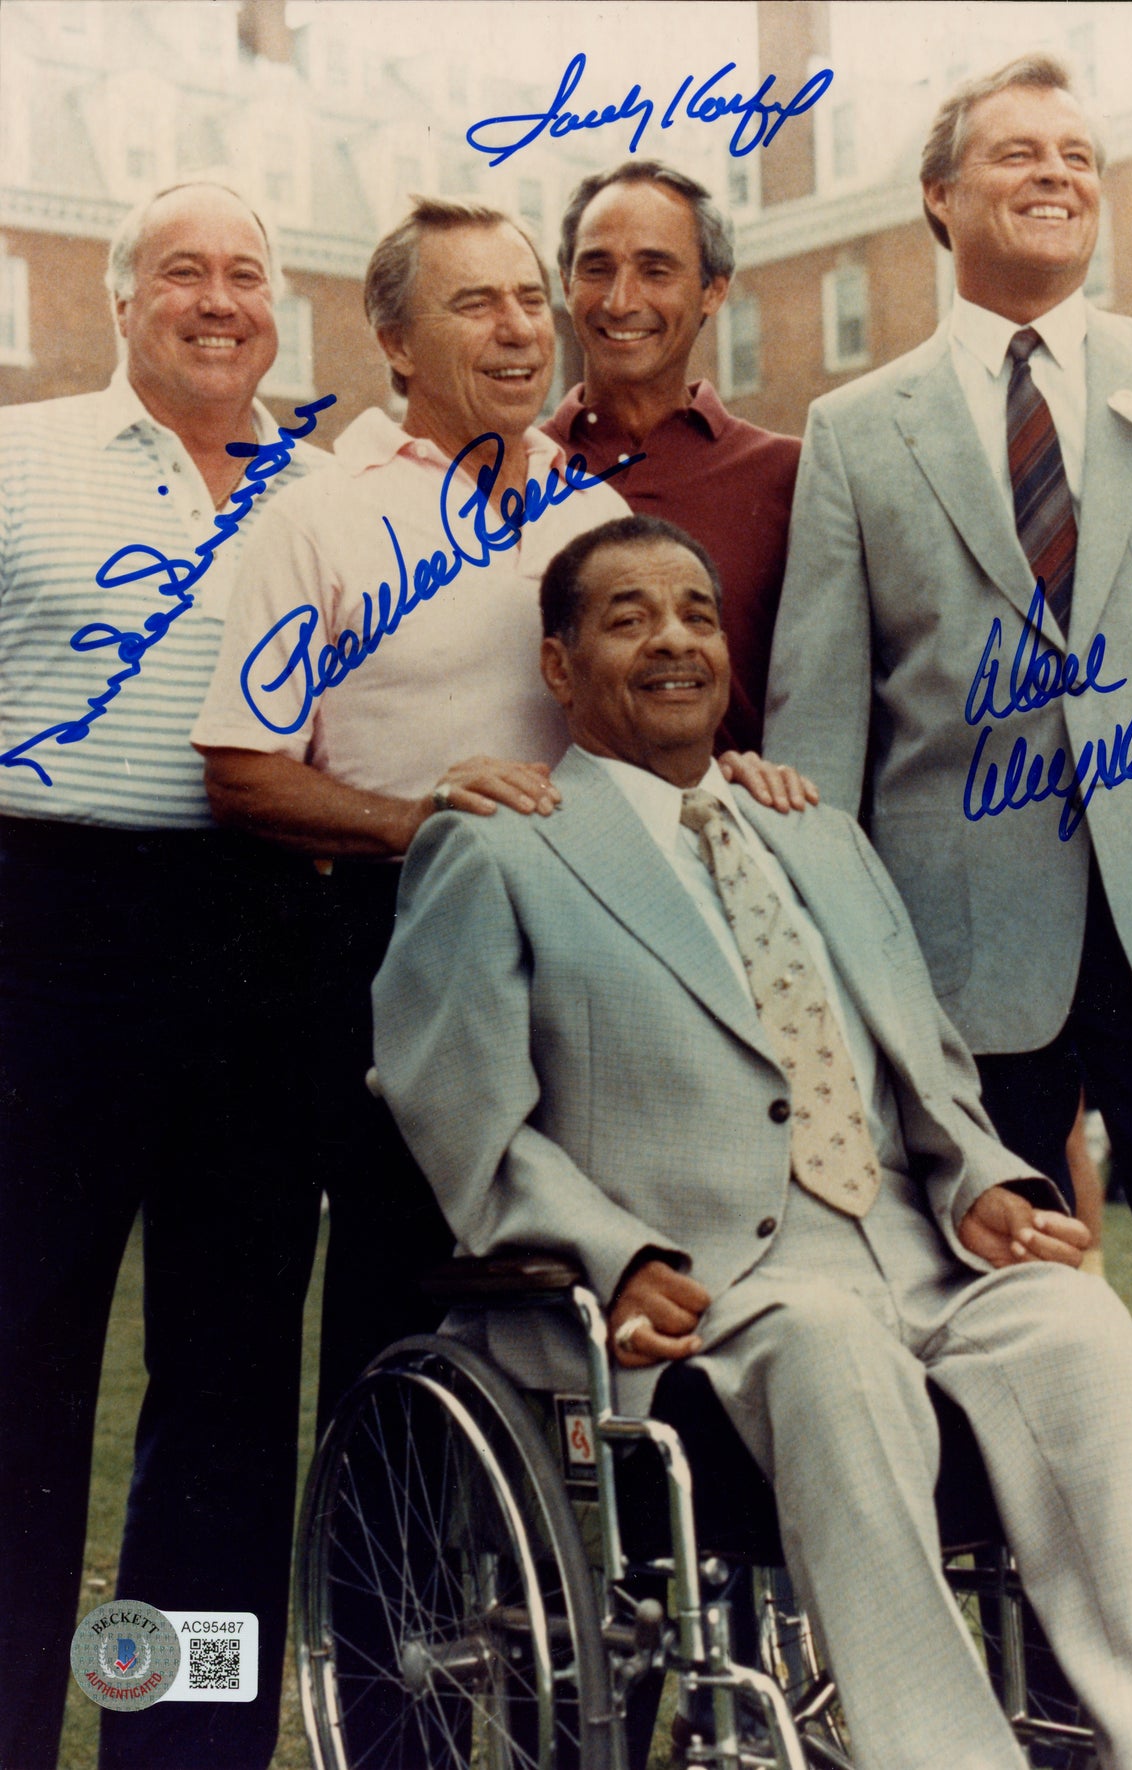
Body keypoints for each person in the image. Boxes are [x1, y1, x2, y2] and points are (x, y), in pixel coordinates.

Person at [373, 513, 1132, 1770]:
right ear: (559, 665)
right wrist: (613, 1254)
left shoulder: (811, 831)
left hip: (913, 1258)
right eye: (627, 617)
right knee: (831, 1348)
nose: (673, 641)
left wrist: (980, 1181)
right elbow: (462, 1117)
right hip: (710, 1295)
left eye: (695, 613)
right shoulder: (495, 849)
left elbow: (927, 1065)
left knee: (1075, 1323)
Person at [763, 53, 1132, 1770]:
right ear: (940, 200)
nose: (1054, 176)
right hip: (960, 972)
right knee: (977, 1330)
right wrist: (838, 987)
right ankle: (1027, 1698)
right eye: (1014, 154)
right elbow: (821, 727)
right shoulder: (857, 431)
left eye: (1079, 156)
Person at [192, 197, 802, 1424]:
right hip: (391, 941)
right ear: (397, 342)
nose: (522, 327)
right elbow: (241, 769)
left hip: (587, 949)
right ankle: (383, 1609)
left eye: (530, 297)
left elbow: (640, 727)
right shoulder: (317, 514)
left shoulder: (592, 517)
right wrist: (417, 818)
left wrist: (726, 771)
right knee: (402, 1292)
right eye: (475, 303)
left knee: (574, 1281)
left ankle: (565, 1600)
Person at [0, 184, 329, 1770]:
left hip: (263, 935)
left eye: (247, 275)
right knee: (21, 1366)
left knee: (225, 1382)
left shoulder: (324, 491)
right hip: (47, 930)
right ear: (120, 300)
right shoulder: (21, 457)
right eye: (183, 271)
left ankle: (179, 1739)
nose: (219, 299)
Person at [541, 161, 801, 753]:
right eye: (596, 269)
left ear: (714, 288)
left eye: (655, 270)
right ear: (565, 280)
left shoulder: (789, 476)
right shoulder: (508, 470)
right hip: (545, 826)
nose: (620, 299)